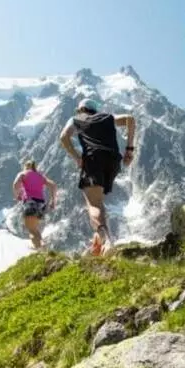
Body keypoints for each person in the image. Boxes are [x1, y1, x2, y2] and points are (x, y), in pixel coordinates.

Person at [59, 98, 136, 256]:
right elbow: (130, 119)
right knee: (99, 202)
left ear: (81, 109)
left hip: (93, 160)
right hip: (113, 161)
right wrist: (129, 149)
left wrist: (77, 157)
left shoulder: (77, 119)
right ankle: (98, 244)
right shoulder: (107, 117)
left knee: (93, 204)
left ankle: (106, 239)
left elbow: (63, 137)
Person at [12, 160, 58, 250]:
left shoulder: (23, 174)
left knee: (31, 230)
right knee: (35, 229)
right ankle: (43, 247)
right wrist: (53, 201)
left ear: (25, 166)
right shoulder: (40, 176)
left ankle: (41, 249)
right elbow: (53, 186)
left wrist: (17, 196)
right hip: (41, 204)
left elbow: (15, 185)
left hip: (30, 202)